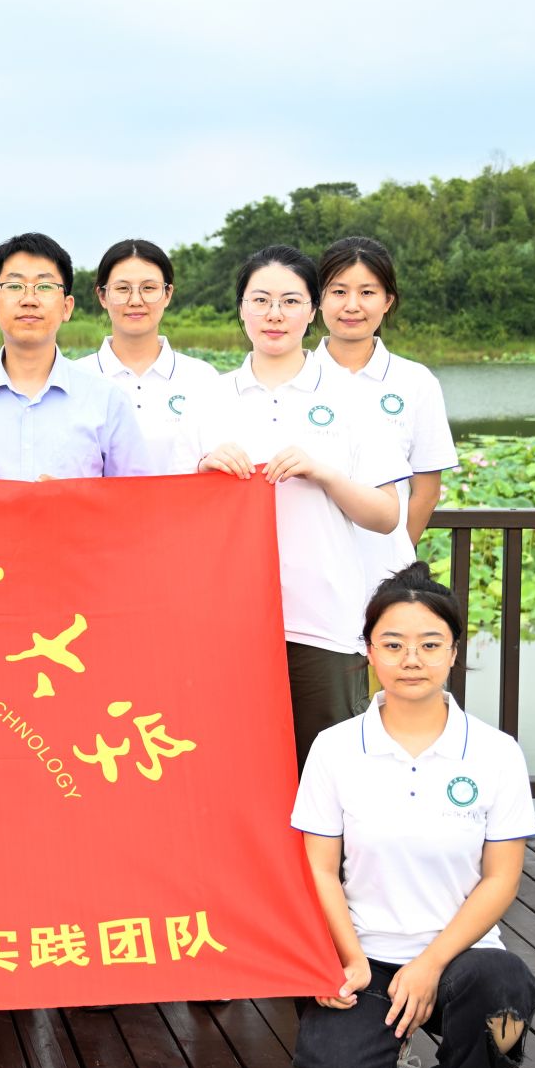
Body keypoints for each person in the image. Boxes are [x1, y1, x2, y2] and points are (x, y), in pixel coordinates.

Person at [290, 562, 535, 1068]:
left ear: (453, 652)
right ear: (369, 651)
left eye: (430, 644)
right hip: (366, 953)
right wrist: (348, 958)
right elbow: (319, 868)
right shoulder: (335, 748)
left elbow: (501, 877)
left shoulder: (496, 753)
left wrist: (430, 963)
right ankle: (391, 1059)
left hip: (461, 957)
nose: (411, 660)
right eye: (393, 644)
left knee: (503, 988)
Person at [194, 244, 406, 761]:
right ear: (241, 308)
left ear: (312, 311)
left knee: (327, 770)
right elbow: (172, 518)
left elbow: (386, 516)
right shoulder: (209, 399)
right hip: (227, 621)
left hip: (323, 621)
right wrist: (201, 473)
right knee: (235, 766)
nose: (274, 314)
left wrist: (325, 473)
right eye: (260, 300)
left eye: (290, 301)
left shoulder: (351, 397)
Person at [0, 233, 153, 480]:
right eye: (14, 286)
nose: (29, 300)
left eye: (45, 286)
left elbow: (134, 494)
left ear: (67, 307)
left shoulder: (107, 399)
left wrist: (71, 498)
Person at [316, 236, 459, 582]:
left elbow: (427, 490)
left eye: (367, 292)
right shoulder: (296, 378)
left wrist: (395, 563)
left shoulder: (415, 381)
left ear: (387, 300)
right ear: (318, 300)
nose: (352, 305)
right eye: (338, 291)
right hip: (311, 573)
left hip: (386, 576)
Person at [76, 238, 222, 472]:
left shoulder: (202, 377)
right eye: (122, 289)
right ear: (102, 296)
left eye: (149, 288)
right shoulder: (75, 379)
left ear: (168, 294)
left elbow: (216, 460)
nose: (136, 301)